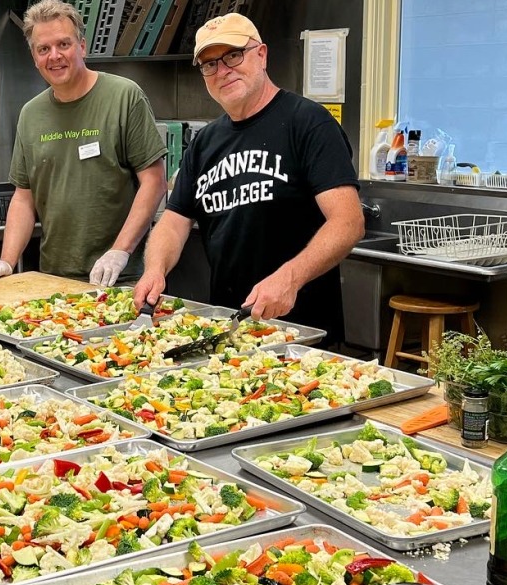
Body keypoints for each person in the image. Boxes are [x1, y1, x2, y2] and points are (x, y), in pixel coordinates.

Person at [133, 13, 363, 344]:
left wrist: (289, 278)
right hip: (229, 327)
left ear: (262, 54)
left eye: (233, 55)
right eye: (209, 64)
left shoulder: (309, 123)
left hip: (300, 333)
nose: (222, 70)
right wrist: (155, 269)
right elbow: (174, 220)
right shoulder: (205, 142)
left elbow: (348, 222)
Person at [0, 0, 167, 287]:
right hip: (54, 280)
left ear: (82, 47)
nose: (54, 56)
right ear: (34, 57)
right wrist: (6, 261)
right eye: (43, 49)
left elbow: (154, 182)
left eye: (63, 44)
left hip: (121, 279)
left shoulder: (124, 97)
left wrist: (119, 251)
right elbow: (24, 198)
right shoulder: (30, 114)